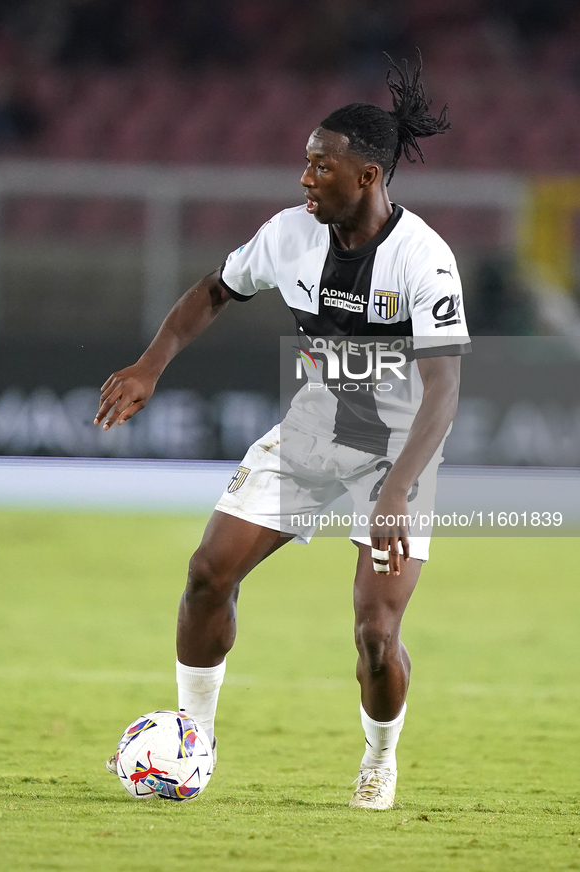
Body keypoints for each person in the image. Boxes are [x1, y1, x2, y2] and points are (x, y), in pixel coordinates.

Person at [96, 57, 470, 810]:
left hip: (396, 452)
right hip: (311, 430)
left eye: (318, 165)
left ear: (365, 177)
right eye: (304, 163)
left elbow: (443, 389)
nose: (304, 179)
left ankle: (378, 759)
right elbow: (213, 290)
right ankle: (193, 740)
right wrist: (149, 365)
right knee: (207, 574)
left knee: (373, 631)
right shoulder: (288, 234)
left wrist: (395, 491)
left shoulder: (423, 259)